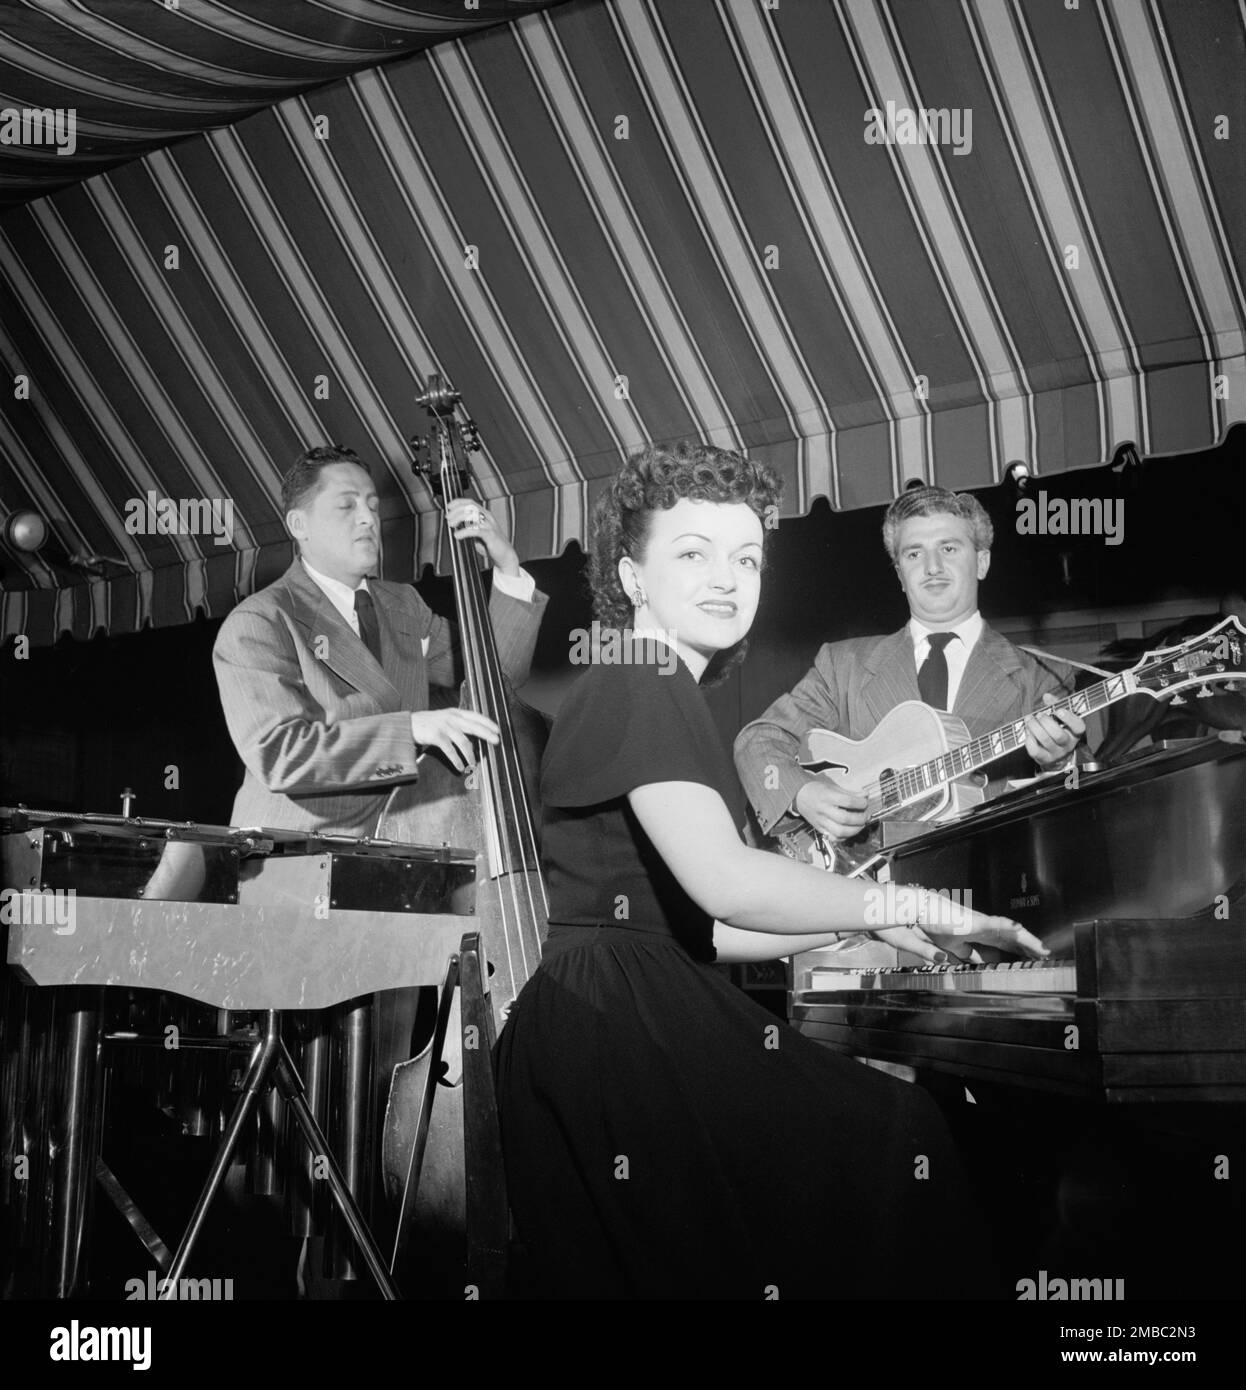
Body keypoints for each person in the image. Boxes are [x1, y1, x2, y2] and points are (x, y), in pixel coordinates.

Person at [494, 443, 1047, 1300]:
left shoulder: (651, 682)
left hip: (610, 1010)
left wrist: (863, 920)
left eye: (746, 558)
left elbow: (707, 930)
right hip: (616, 1024)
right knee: (902, 1134)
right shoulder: (642, 680)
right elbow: (724, 882)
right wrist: (914, 902)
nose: (727, 578)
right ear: (633, 576)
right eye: (692, 553)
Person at [213, 445, 546, 840]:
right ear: (299, 525)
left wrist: (506, 567)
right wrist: (408, 730)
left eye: (372, 505)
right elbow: (282, 754)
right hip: (302, 854)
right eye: (347, 506)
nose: (368, 518)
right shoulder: (260, 621)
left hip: (406, 841)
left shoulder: (403, 604)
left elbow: (496, 678)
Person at [733, 486, 1085, 855]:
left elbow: (1076, 812)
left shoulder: (1043, 676)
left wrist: (1059, 762)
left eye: (949, 548)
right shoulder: (843, 665)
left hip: (988, 885)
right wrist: (800, 793)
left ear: (982, 562)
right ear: (900, 574)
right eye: (914, 553)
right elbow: (758, 740)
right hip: (863, 894)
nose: (932, 567)